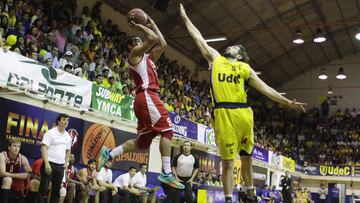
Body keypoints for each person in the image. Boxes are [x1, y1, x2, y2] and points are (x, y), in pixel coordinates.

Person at [179, 4, 306, 203]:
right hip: (223, 113)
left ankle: (249, 192)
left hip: (244, 114)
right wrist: (186, 18)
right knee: (228, 162)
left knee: (247, 158)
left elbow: (266, 89)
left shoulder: (245, 68)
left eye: (234, 47)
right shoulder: (216, 59)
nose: (229, 46)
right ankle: (229, 198)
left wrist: (287, 101)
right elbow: (199, 39)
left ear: (239, 55)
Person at [97, 13, 184, 189]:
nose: (138, 42)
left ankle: (109, 153)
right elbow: (151, 38)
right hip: (147, 96)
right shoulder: (135, 54)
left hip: (144, 99)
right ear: (130, 45)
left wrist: (151, 21)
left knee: (141, 143)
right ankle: (166, 172)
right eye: (135, 40)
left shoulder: (149, 59)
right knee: (167, 129)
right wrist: (140, 27)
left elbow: (163, 43)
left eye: (139, 40)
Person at [36, 113, 72, 203]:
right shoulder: (50, 133)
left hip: (60, 167)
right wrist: (46, 164)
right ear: (58, 121)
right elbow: (43, 147)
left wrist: (66, 163)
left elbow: (68, 150)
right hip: (49, 164)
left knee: (56, 192)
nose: (66, 122)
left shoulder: (68, 136)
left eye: (67, 120)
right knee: (43, 189)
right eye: (63, 120)